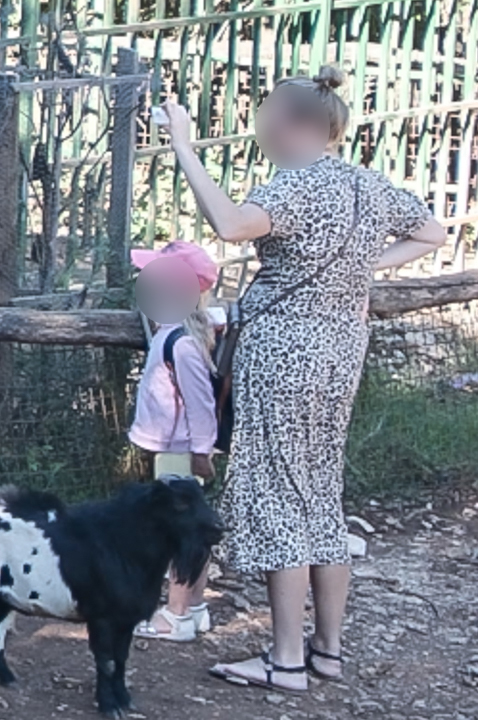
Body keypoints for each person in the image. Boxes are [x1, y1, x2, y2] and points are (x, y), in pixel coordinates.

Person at [157, 67, 446, 691]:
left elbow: (230, 225)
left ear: (289, 122)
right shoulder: (365, 183)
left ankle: (285, 659)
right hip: (342, 350)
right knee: (319, 493)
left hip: (286, 353)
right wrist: (363, 267)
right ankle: (328, 652)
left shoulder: (298, 184)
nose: (259, 122)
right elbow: (433, 232)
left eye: (264, 112)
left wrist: (183, 144)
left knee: (278, 497)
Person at [128, 240, 220, 642]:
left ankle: (175, 615)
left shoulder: (180, 343)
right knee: (192, 528)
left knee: (180, 530)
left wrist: (201, 452)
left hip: (179, 450)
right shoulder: (176, 333)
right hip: (175, 448)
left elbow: (199, 403)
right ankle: (194, 609)